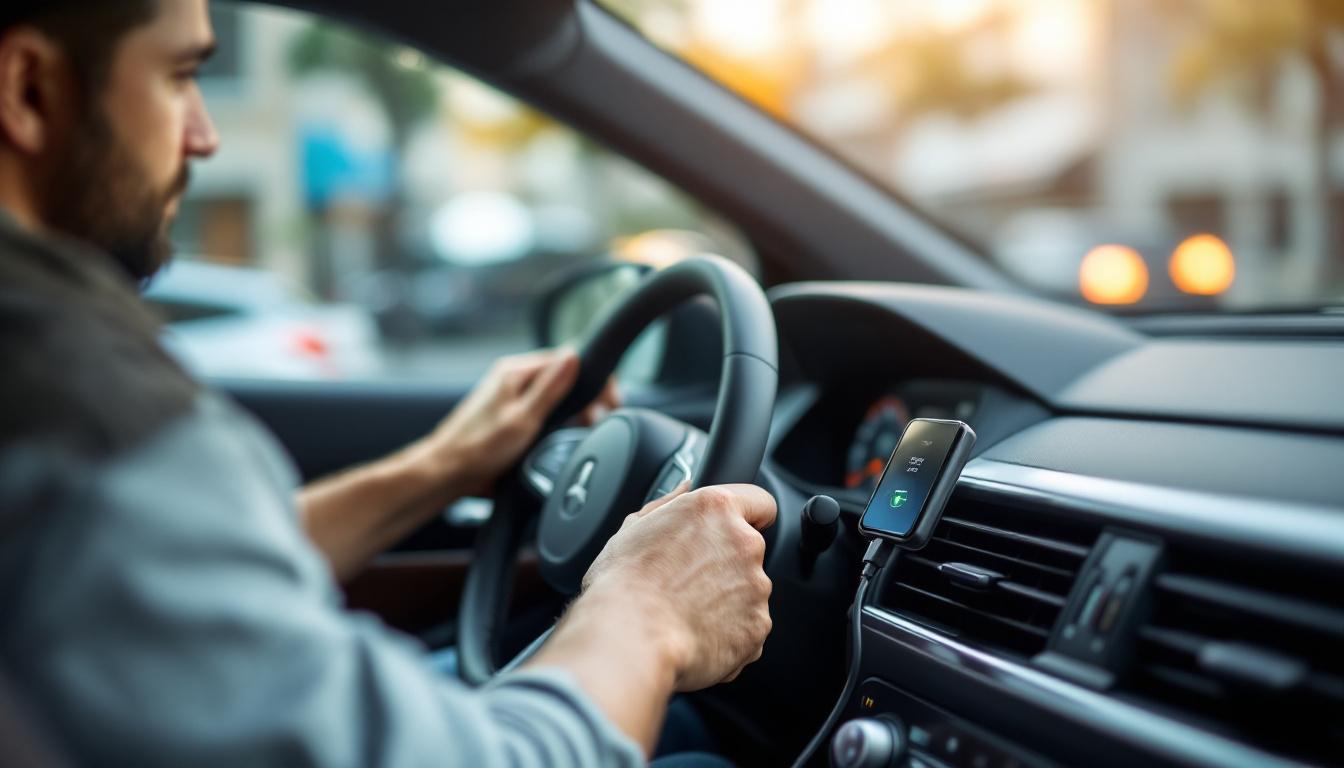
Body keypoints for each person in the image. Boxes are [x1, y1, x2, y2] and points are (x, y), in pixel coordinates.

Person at [0, 1, 777, 766]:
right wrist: (648, 608)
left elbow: (175, 587)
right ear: (28, 88)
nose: (203, 135)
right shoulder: (83, 417)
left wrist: (441, 467)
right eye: (179, 76)